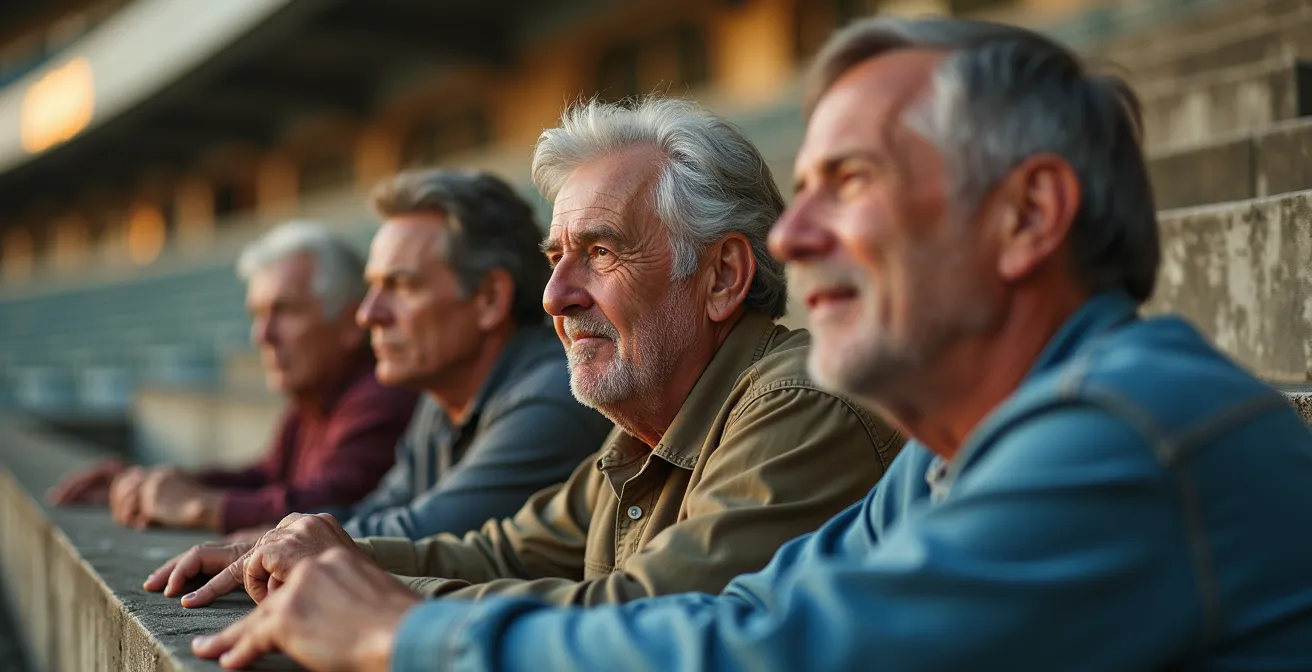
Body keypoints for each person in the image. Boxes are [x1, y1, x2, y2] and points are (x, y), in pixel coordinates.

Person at [191, 17, 1312, 671]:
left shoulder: (1117, 436)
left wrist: (401, 636)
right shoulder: (942, 458)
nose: (796, 232)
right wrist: (355, 580)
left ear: (1026, 218)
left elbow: (763, 662)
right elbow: (750, 616)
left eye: (851, 181)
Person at [169, 97, 898, 631]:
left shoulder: (799, 403)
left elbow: (646, 621)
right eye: (556, 258)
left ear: (722, 278)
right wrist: (316, 556)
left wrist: (372, 607)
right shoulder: (641, 428)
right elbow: (495, 551)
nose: (554, 294)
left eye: (601, 251)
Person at [143, 169, 614, 595]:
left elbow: (422, 533)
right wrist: (274, 536)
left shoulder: (550, 396)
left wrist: (277, 537)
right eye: (372, 287)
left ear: (490, 298)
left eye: (402, 286)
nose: (369, 314)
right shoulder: (439, 396)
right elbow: (379, 508)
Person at [47, 221, 420, 534]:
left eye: (285, 310)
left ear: (350, 323)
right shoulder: (316, 394)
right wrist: (154, 483)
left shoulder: (381, 393)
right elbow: (267, 476)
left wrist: (199, 506)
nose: (262, 335)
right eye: (257, 314)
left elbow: (325, 508)